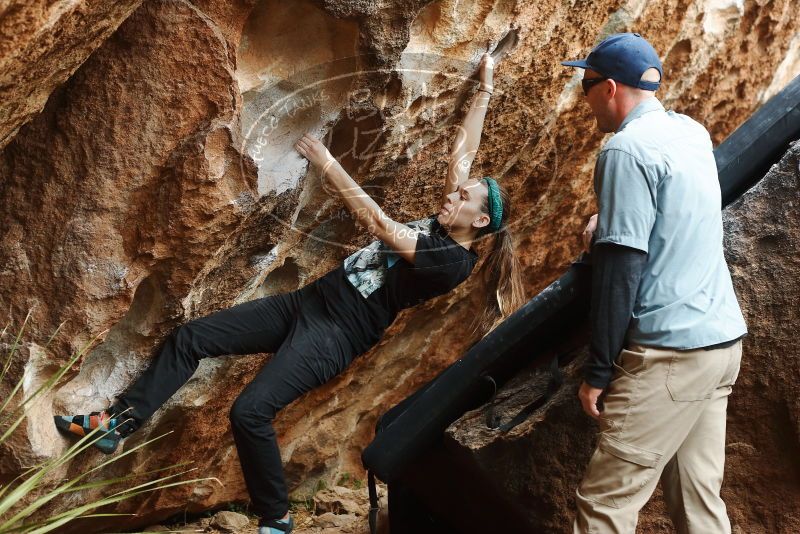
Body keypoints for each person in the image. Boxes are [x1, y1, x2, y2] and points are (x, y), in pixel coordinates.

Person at [54, 52, 525, 534]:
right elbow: (461, 154)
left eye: (463, 197)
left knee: (250, 411)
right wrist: (485, 85)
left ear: (481, 221)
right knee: (192, 337)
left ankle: (276, 517)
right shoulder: (454, 222)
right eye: (457, 191)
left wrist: (327, 162)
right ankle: (118, 423)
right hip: (309, 302)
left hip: (337, 334)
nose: (452, 195)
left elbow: (379, 224)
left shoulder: (451, 261)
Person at [561, 33, 748, 533]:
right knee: (698, 501)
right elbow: (674, 214)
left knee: (605, 506)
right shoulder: (691, 133)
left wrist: (599, 370)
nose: (585, 98)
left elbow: (621, 270)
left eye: (586, 84)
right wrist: (611, 217)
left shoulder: (624, 151)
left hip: (670, 359)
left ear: (610, 88)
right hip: (720, 345)